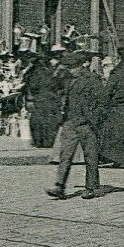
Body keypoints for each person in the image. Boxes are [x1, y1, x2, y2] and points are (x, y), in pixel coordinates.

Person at [47, 52, 105, 200]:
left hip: (87, 123)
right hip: (70, 122)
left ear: (83, 65)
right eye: (69, 67)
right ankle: (59, 186)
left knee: (91, 156)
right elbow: (52, 86)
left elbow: (102, 102)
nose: (71, 70)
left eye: (74, 67)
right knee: (65, 155)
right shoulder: (68, 79)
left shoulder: (93, 79)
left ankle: (91, 188)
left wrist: (95, 120)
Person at [23, 53, 63, 149]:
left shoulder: (36, 71)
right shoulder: (50, 71)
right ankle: (47, 142)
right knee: (49, 121)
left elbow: (31, 85)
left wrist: (29, 99)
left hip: (41, 99)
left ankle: (39, 141)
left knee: (39, 121)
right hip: (50, 99)